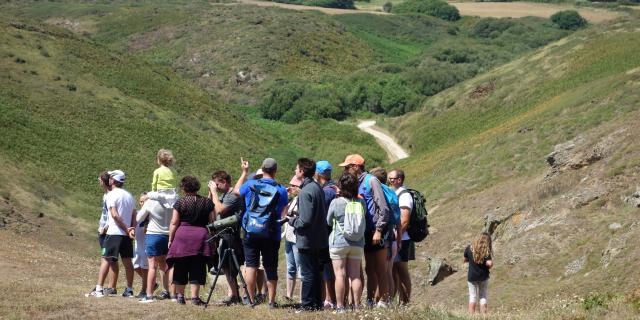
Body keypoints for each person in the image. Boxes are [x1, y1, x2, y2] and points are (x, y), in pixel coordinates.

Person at [233, 158, 288, 307]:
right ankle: (271, 301)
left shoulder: (250, 184)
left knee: (251, 265)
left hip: (251, 230)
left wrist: (244, 172)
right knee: (270, 266)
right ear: (275, 171)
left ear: (262, 169)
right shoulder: (281, 190)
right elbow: (283, 210)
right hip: (271, 233)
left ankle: (250, 300)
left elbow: (235, 191)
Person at [339, 154, 391, 308]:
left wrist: (379, 230)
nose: (346, 171)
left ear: (356, 166)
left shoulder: (371, 180)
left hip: (376, 229)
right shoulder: (356, 182)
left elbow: (384, 208)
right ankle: (370, 300)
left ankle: (384, 300)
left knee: (380, 267)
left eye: (348, 167)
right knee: (369, 268)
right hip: (365, 231)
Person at [287, 158, 328, 312]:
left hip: (307, 239)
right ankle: (317, 303)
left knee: (307, 273)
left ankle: (307, 304)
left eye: (296, 168)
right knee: (316, 272)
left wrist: (292, 221)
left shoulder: (305, 192)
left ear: (302, 172)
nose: (295, 171)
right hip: (319, 238)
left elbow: (305, 220)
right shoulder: (316, 187)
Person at [88, 170, 136, 298]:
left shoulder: (111, 195)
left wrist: (126, 228)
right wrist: (131, 229)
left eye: (110, 177)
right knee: (127, 262)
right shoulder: (129, 196)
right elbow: (134, 214)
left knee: (105, 259)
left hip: (114, 231)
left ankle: (98, 289)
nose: (108, 179)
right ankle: (129, 290)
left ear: (113, 181)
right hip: (126, 234)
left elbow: (114, 214)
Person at [167, 176, 214, 305]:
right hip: (201, 236)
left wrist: (170, 239)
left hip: (182, 236)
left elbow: (174, 222)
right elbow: (212, 221)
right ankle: (195, 297)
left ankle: (181, 296)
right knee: (197, 266)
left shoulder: (180, 202)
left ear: (183, 188)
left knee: (180, 266)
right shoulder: (207, 202)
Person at [327, 172, 366, 313]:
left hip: (339, 242)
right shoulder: (361, 202)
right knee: (355, 275)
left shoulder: (336, 202)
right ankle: (356, 306)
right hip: (357, 243)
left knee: (340, 274)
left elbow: (328, 220)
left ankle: (340, 306)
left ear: (340, 186)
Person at [208, 170, 246, 306]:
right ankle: (233, 294)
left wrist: (213, 193)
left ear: (224, 182)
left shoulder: (232, 196)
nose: (216, 187)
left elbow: (219, 210)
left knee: (230, 266)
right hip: (223, 234)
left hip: (231, 236)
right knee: (225, 266)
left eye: (217, 184)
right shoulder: (224, 195)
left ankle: (235, 295)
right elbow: (211, 208)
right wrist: (211, 193)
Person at [137, 189, 172, 302]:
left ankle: (149, 295)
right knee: (165, 265)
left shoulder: (151, 202)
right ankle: (169, 291)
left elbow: (139, 218)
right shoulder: (172, 201)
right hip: (168, 235)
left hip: (154, 234)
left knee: (152, 266)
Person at [86, 172, 118, 297]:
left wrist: (106, 227)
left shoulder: (111, 195)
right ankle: (109, 287)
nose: (98, 182)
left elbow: (113, 214)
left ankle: (112, 287)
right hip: (102, 229)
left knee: (111, 259)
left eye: (99, 180)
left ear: (104, 181)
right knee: (109, 259)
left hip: (108, 230)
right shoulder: (105, 195)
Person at [388, 169, 415, 305]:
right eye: (389, 179)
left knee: (402, 271)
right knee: (394, 271)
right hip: (399, 238)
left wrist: (395, 238)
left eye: (392, 179)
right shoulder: (396, 193)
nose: (390, 181)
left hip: (402, 239)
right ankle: (395, 302)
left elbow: (404, 220)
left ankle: (405, 303)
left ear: (399, 180)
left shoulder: (404, 195)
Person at [315, 160, 337, 310]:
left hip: (326, 232)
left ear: (318, 173)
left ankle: (329, 299)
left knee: (327, 268)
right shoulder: (335, 187)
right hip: (335, 232)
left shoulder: (326, 192)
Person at [283, 175, 303, 303]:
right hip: (289, 236)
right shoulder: (293, 199)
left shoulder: (303, 199)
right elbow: (284, 214)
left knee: (300, 268)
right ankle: (289, 295)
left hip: (297, 238)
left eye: (294, 185)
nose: (292, 187)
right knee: (290, 267)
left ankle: (302, 298)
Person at [464, 232, 493, 315]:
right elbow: (490, 263)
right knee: (483, 296)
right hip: (483, 277)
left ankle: (471, 316)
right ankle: (484, 316)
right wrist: (489, 264)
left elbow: (465, 259)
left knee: (472, 296)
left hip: (472, 276)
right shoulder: (486, 250)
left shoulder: (469, 248)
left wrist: (470, 260)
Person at [132, 196, 149, 299]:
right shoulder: (138, 213)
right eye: (141, 201)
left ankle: (144, 290)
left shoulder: (150, 214)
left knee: (145, 267)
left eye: (145, 202)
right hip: (137, 244)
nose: (143, 203)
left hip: (146, 244)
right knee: (135, 265)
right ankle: (151, 282)